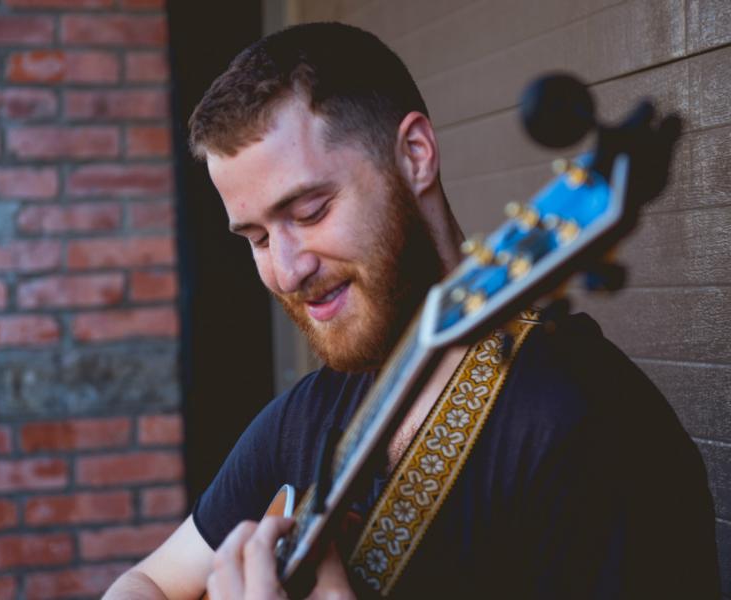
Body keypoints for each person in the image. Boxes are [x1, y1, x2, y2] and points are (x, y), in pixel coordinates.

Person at [105, 23, 720, 599]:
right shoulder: (303, 419)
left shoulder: (588, 428)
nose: (287, 270)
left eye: (311, 211)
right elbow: (144, 583)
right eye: (258, 239)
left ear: (416, 155)